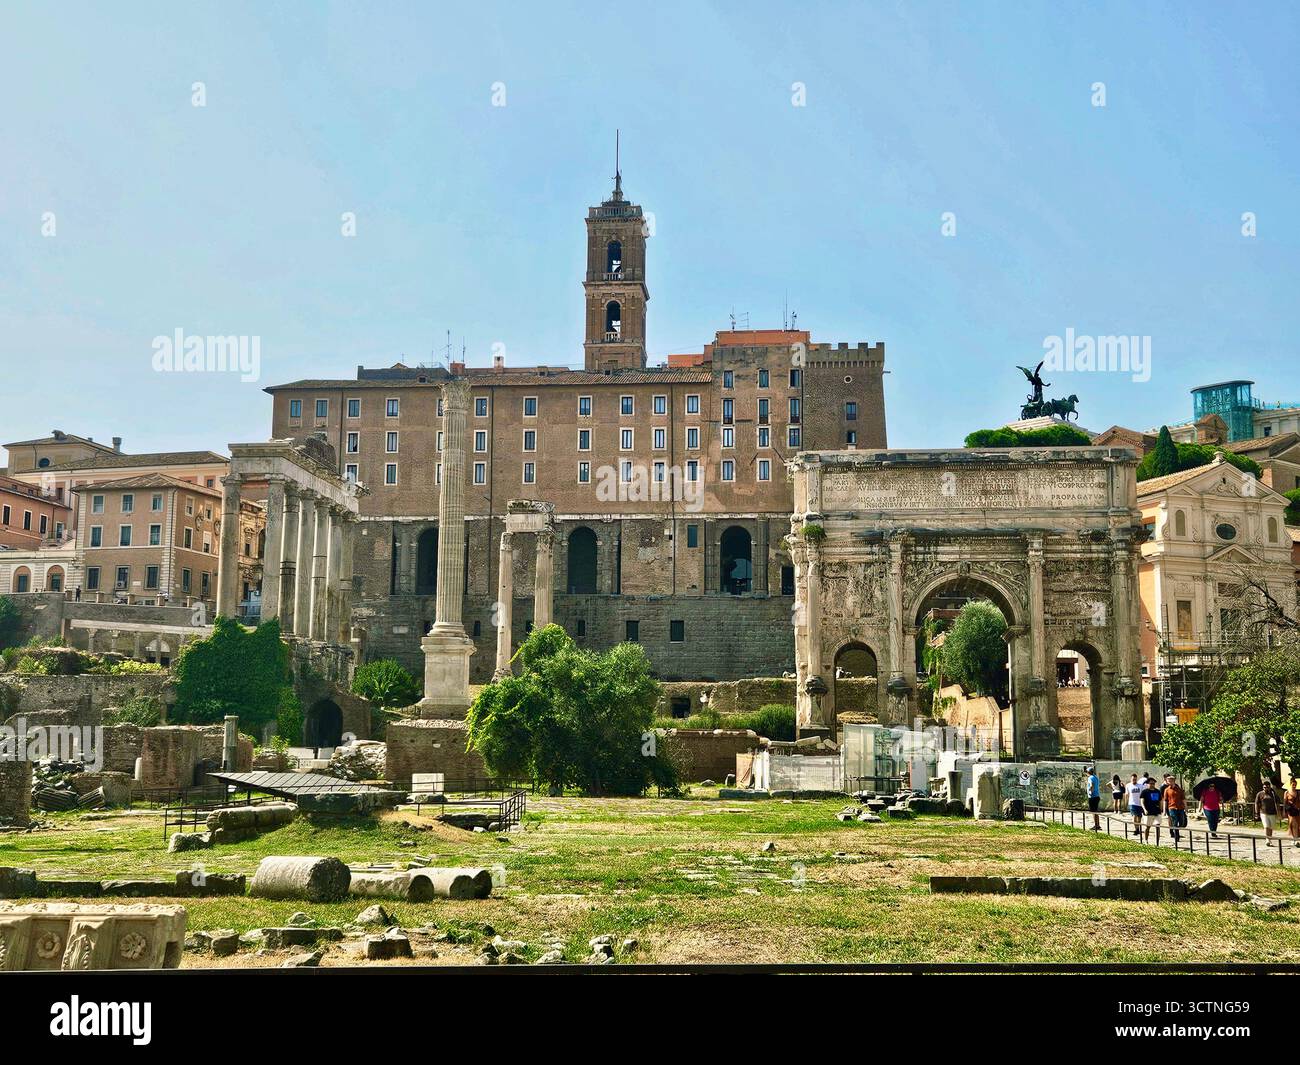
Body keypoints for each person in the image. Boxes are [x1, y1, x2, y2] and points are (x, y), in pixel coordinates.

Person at [1162, 774, 1186, 843]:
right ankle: (1177, 836)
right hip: (1171, 808)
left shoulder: (1179, 789)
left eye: (1170, 781)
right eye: (1168, 781)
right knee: (1175, 822)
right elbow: (1165, 801)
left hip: (1180, 808)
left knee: (1181, 823)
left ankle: (1177, 831)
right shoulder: (1166, 790)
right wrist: (1164, 810)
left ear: (1173, 781)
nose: (1169, 782)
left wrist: (1186, 807)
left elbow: (1183, 799)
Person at [1257, 780, 1281, 846]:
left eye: (1267, 787)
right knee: (1266, 826)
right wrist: (1257, 813)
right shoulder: (1260, 794)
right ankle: (1267, 839)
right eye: (1264, 787)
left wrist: (1279, 812)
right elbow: (1257, 803)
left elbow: (1278, 803)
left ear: (1269, 787)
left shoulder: (1273, 794)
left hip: (1272, 813)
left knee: (1271, 827)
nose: (1265, 789)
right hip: (1263, 812)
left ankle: (1270, 839)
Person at [1140, 776, 1163, 841]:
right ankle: (1146, 840)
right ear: (1147, 784)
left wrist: (1161, 809)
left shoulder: (1157, 791)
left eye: (1153, 783)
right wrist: (1144, 809)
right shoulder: (1144, 792)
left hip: (1157, 812)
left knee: (1157, 826)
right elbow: (1142, 801)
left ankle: (1157, 842)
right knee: (1148, 827)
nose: (1152, 785)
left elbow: (1160, 801)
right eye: (1151, 783)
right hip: (1148, 812)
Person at [1126, 773, 1144, 837]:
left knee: (1139, 817)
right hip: (1132, 803)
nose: (1134, 780)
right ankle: (1136, 829)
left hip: (1139, 804)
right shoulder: (1128, 785)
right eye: (1133, 779)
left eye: (1135, 779)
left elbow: (1143, 795)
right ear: (1131, 779)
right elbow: (1127, 794)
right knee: (1134, 816)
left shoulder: (1141, 786)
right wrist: (1126, 803)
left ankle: (1138, 828)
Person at [1285, 779, 1300, 848]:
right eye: (1293, 784)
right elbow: (1285, 802)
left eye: (1295, 785)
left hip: (1297, 810)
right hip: (1290, 810)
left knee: (1297, 824)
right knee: (1292, 824)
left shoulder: (1298, 792)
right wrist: (1283, 812)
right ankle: (1293, 838)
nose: (1294, 786)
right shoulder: (1287, 792)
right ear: (1290, 784)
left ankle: (1296, 839)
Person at [1085, 766, 1101, 830]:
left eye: (1086, 772)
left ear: (1088, 772)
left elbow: (1091, 785)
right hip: (1097, 796)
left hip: (1092, 796)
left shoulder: (1090, 778)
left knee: (1093, 812)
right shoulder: (1095, 777)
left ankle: (1096, 825)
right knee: (1096, 811)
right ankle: (1098, 824)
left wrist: (1090, 792)